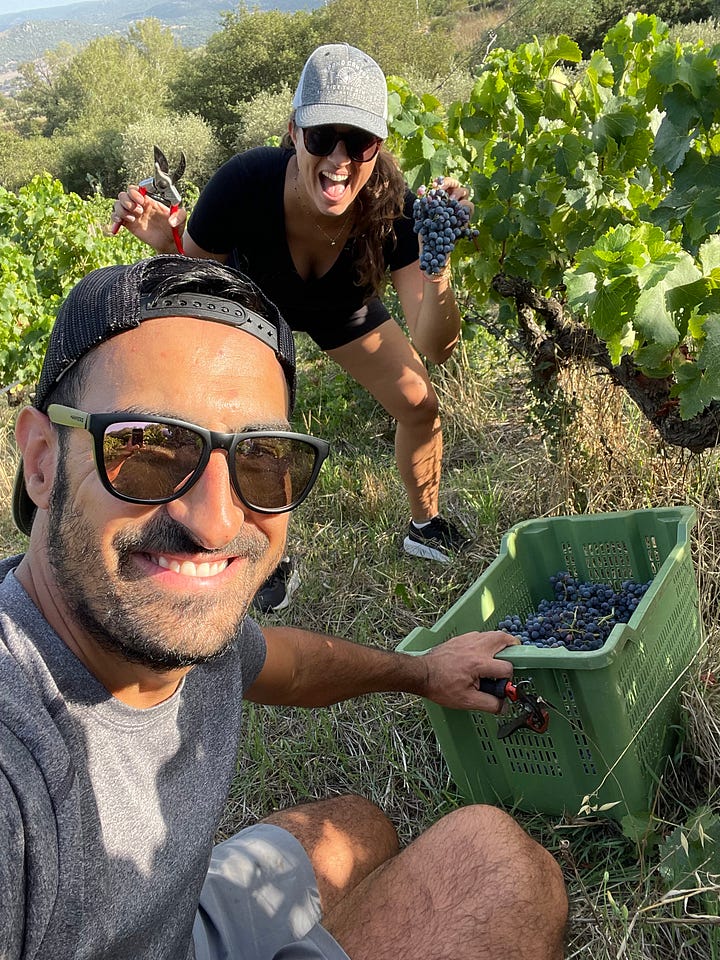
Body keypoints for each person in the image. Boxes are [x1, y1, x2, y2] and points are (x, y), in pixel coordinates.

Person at [2, 255, 568, 960]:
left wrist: (422, 672)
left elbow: (285, 665)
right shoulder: (16, 767)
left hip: (176, 931)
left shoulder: (169, 626)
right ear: (41, 458)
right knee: (499, 867)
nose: (214, 524)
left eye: (263, 458)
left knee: (360, 828)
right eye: (147, 448)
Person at [113, 42, 474, 612]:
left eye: (359, 142)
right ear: (292, 130)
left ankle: (425, 527)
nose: (339, 158)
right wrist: (165, 242)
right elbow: (203, 274)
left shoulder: (395, 209)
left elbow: (436, 345)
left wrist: (439, 259)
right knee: (256, 435)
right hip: (258, 306)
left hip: (341, 308)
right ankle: (269, 558)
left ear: (378, 148)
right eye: (320, 136)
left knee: (420, 405)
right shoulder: (243, 184)